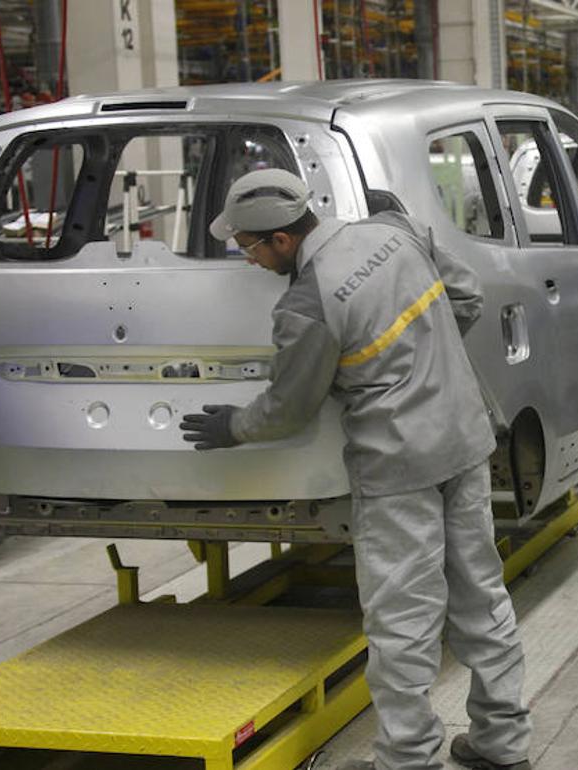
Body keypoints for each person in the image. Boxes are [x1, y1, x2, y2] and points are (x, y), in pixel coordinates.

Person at [179, 168, 532, 770]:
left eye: (249, 247)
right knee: (481, 596)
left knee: (402, 620)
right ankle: (503, 744)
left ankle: (408, 760)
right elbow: (466, 297)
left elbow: (290, 409)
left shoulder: (306, 303)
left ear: (282, 240)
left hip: (397, 467)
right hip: (465, 440)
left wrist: (234, 427)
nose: (250, 261)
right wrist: (424, 349)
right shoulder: (396, 230)